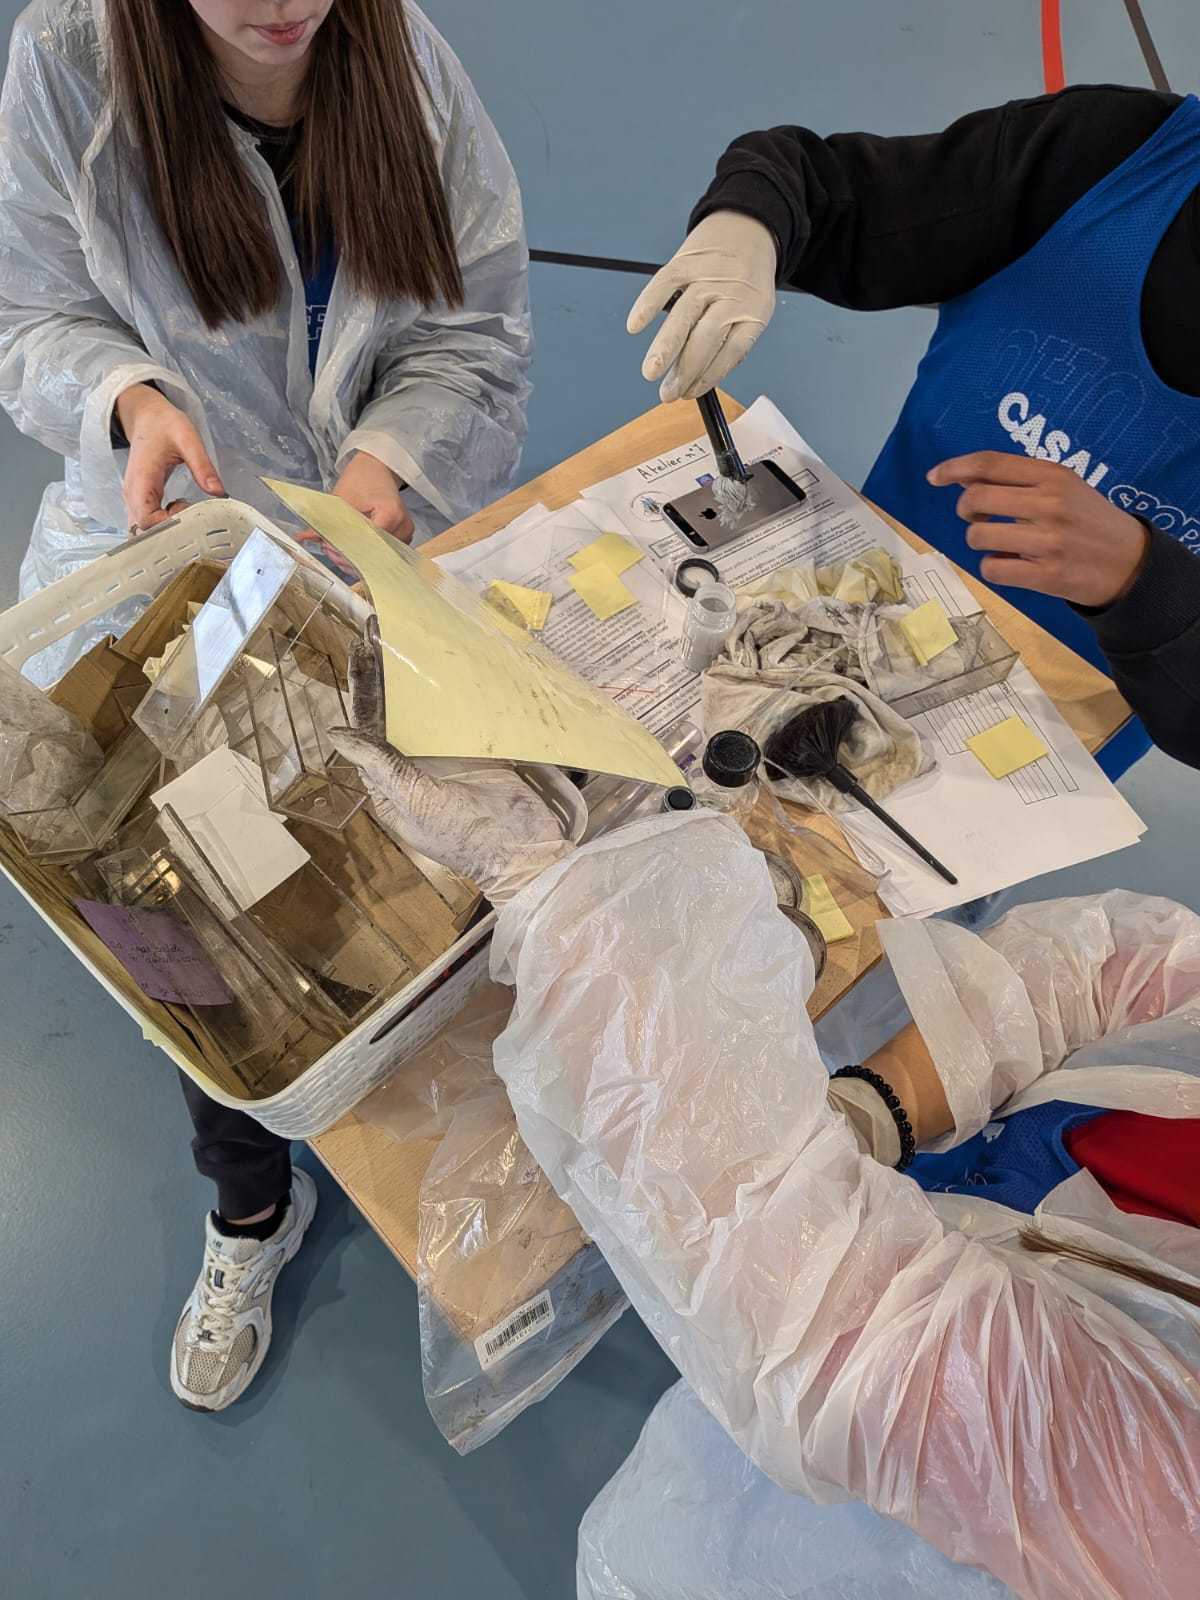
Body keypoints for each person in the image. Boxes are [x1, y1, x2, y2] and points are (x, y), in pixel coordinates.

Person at [329, 719, 1200, 1599]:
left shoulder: (1170, 1506)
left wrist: (561, 902)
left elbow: (849, 1344)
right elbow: (1103, 971)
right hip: (890, 1270)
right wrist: (878, 1110)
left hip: (836, 1528)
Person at [0, 0, 531, 1409]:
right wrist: (128, 396)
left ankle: (404, 1125)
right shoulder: (68, 63)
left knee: (382, 870)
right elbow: (30, 313)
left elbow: (474, 334)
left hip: (344, 554)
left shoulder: (404, 60)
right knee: (179, 913)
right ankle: (252, 1203)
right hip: (157, 553)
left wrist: (382, 468)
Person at [627, 86, 1200, 775]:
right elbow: (827, 188)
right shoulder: (1109, 154)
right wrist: (751, 220)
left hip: (1030, 743)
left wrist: (1146, 583)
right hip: (847, 612)